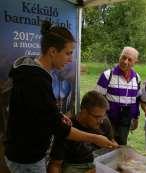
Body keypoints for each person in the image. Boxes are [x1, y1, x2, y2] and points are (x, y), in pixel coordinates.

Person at [4, 21, 117, 173]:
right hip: (26, 158)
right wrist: (95, 138)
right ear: (52, 51)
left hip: (28, 153)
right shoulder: (35, 80)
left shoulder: (37, 74)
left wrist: (56, 115)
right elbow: (59, 129)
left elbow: (37, 111)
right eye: (68, 53)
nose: (70, 59)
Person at [48, 91, 117, 173]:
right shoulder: (67, 128)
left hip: (98, 163)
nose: (101, 121)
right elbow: (55, 165)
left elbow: (112, 142)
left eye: (103, 116)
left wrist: (116, 149)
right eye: (97, 117)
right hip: (74, 167)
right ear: (84, 112)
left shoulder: (104, 121)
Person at [95, 46, 141, 145]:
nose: (125, 61)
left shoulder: (137, 78)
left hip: (125, 120)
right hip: (108, 120)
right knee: (106, 146)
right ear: (119, 57)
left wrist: (136, 118)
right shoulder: (107, 75)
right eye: (123, 57)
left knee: (121, 146)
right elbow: (97, 99)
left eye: (130, 59)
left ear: (135, 62)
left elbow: (136, 100)